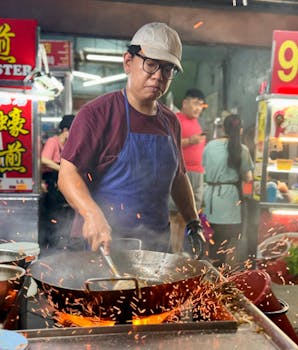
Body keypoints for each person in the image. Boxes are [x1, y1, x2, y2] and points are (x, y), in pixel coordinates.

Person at [58, 22, 205, 256]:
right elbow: (67, 174)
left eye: (167, 69)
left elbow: (179, 177)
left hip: (155, 245)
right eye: (151, 64)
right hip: (103, 245)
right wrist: (91, 214)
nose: (158, 76)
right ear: (128, 62)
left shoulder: (170, 122)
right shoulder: (97, 114)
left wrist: (193, 222)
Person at [202, 113, 253, 267]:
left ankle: (212, 273)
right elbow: (248, 177)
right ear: (241, 130)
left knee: (213, 240)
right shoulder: (242, 149)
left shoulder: (210, 146)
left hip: (211, 198)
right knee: (228, 242)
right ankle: (222, 275)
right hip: (230, 200)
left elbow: (205, 167)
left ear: (223, 128)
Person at [169, 88, 207, 253]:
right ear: (185, 103)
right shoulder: (176, 120)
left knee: (188, 216)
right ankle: (172, 251)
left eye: (201, 105)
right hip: (181, 173)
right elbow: (169, 143)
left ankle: (177, 252)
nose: (198, 108)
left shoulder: (197, 124)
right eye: (195, 103)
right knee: (174, 216)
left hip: (198, 173)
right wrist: (190, 141)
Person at [40, 114, 75, 249]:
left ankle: (61, 244)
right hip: (51, 184)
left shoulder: (67, 145)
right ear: (65, 130)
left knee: (63, 215)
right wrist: (63, 168)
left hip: (61, 184)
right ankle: (50, 246)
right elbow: (44, 159)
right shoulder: (52, 142)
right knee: (52, 216)